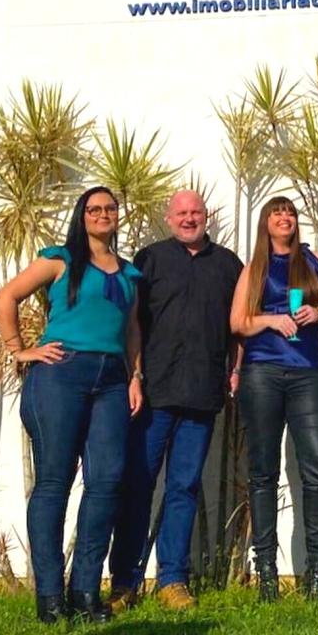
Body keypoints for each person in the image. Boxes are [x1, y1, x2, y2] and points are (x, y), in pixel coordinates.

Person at [0, 186, 142, 624]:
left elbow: (132, 331)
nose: (102, 214)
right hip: (61, 374)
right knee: (55, 481)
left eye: (109, 208)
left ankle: (85, 591)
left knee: (107, 480)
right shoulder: (60, 260)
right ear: (82, 215)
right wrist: (19, 349)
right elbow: (6, 298)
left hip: (112, 380)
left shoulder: (130, 275)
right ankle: (50, 597)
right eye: (94, 209)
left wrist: (136, 376)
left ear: (117, 215)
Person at [108, 190, 242, 611]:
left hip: (203, 393)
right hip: (154, 395)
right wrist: (134, 376)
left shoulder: (229, 265)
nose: (189, 219)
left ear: (207, 216)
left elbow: (237, 327)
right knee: (138, 485)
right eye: (181, 213)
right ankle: (124, 582)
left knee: (183, 487)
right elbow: (132, 324)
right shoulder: (149, 260)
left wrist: (235, 370)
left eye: (195, 212)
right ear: (169, 218)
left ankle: (173, 581)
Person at [230, 195, 318, 601]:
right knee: (263, 472)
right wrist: (270, 320)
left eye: (290, 213)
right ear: (266, 222)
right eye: (277, 213)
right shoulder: (255, 267)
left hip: (306, 372)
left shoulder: (314, 260)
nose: (285, 218)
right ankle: (266, 572)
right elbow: (237, 322)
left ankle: (317, 569)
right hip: (263, 371)